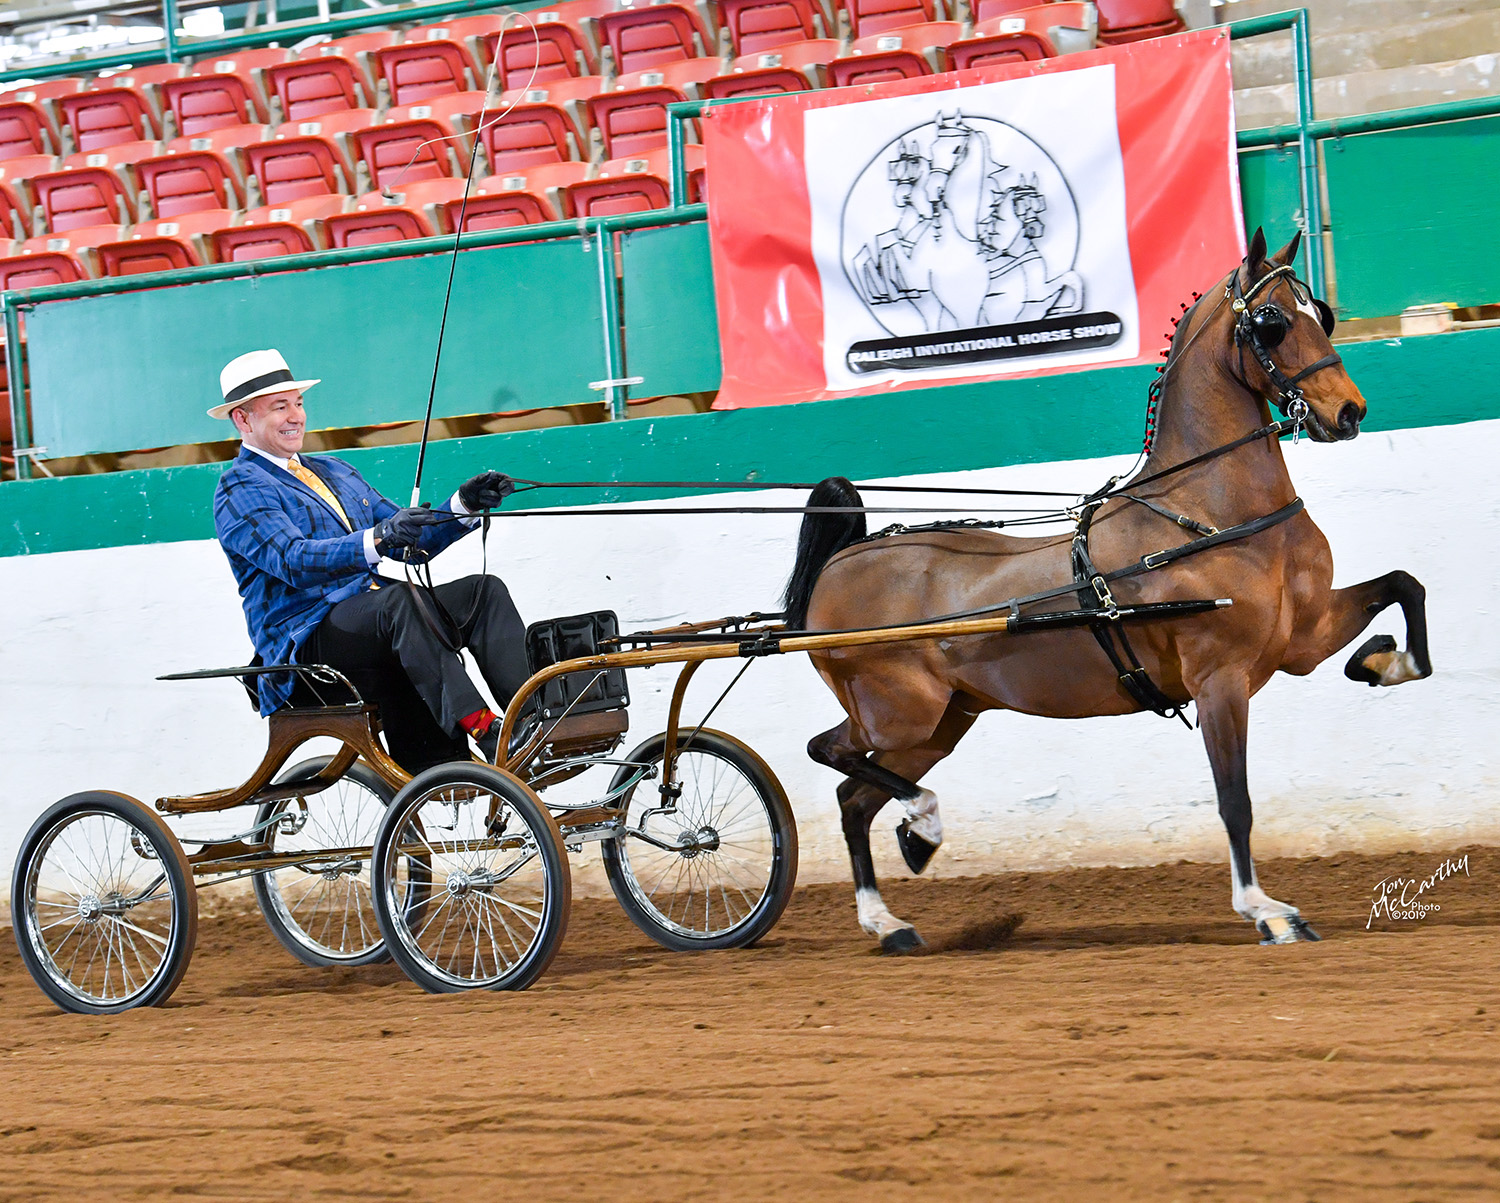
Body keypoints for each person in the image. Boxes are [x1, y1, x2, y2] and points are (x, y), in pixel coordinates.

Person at [211, 348, 526, 770]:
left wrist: (464, 505)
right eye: (279, 407)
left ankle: (531, 719)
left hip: (374, 616)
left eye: (299, 404)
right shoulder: (240, 487)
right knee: (398, 605)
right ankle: (484, 727)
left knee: (482, 593)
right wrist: (376, 539)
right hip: (306, 637)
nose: (296, 417)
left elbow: (409, 538)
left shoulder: (336, 471)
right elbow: (292, 560)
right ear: (243, 419)